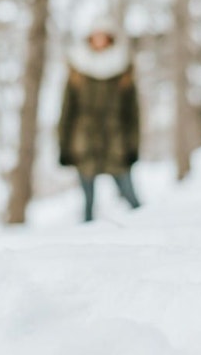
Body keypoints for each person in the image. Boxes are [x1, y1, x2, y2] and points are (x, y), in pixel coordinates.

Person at [58, 13, 141, 222]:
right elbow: (67, 111)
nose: (100, 41)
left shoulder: (123, 69)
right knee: (87, 202)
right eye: (96, 36)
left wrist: (133, 146)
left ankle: (148, 235)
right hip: (85, 142)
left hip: (116, 142)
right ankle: (87, 247)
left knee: (131, 197)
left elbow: (132, 113)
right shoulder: (78, 69)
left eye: (104, 36)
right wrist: (64, 147)